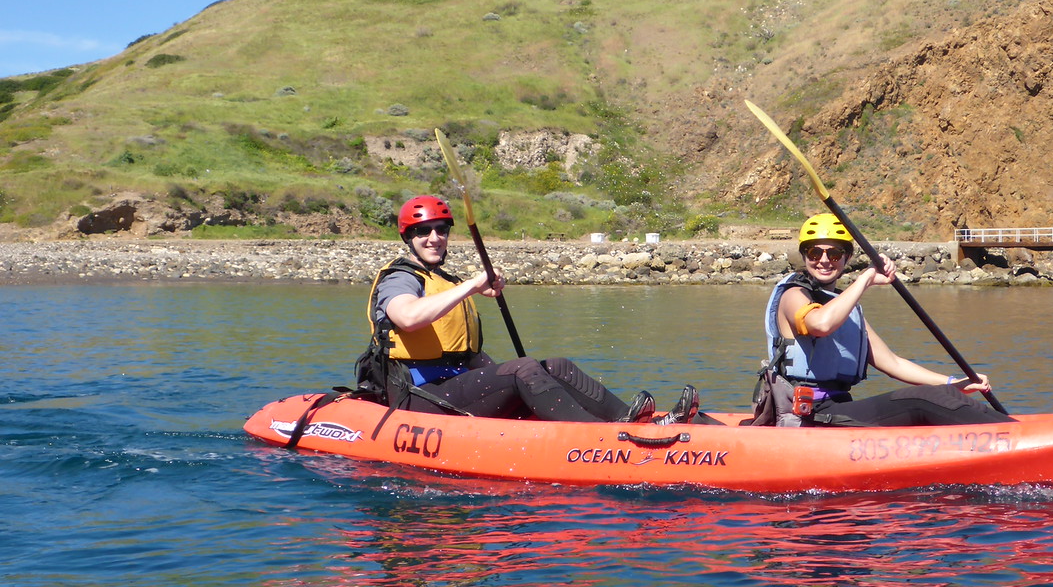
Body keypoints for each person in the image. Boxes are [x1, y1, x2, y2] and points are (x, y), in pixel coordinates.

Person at [359, 194, 697, 423]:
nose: (434, 238)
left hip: (454, 387)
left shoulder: (445, 280)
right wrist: (473, 286)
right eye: (423, 231)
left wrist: (521, 372)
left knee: (556, 366)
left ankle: (634, 421)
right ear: (409, 236)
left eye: (441, 230)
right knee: (522, 369)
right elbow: (407, 317)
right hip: (418, 398)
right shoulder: (400, 278)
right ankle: (597, 438)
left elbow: (465, 354)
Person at [758, 213, 1015, 428]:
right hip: (806, 415)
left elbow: (892, 363)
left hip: (838, 408)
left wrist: (954, 383)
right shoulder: (793, 295)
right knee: (921, 400)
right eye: (815, 252)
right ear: (804, 256)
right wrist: (867, 278)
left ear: (846, 258)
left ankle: (1014, 429)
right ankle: (1014, 436)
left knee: (941, 394)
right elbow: (821, 325)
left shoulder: (845, 307)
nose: (824, 260)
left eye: (834, 253)